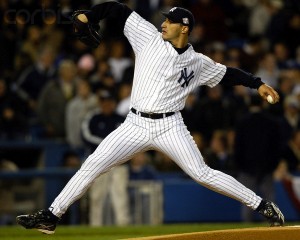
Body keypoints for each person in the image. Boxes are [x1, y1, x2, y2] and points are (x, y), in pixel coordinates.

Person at [16, 2, 284, 234]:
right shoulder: (149, 37)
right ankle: (52, 216)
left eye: (170, 20)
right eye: (164, 19)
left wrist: (257, 83)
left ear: (185, 28)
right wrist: (91, 15)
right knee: (93, 164)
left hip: (170, 126)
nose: (164, 23)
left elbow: (228, 74)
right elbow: (118, 9)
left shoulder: (197, 62)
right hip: (135, 124)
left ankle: (262, 205)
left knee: (202, 173)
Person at [81, 90, 130, 226]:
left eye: (109, 102)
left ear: (113, 103)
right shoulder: (92, 118)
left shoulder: (122, 119)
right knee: (96, 197)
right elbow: (86, 136)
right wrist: (108, 145)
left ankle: (123, 226)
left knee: (120, 196)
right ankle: (95, 227)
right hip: (99, 163)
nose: (106, 105)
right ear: (100, 103)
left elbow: (130, 139)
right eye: (104, 102)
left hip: (119, 163)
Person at [234, 94, 281, 222]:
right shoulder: (272, 121)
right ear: (262, 103)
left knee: (248, 199)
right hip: (266, 167)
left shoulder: (242, 121)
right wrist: (273, 165)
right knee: (270, 198)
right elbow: (276, 147)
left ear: (249, 103)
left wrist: (240, 165)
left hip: (247, 168)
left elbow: (238, 147)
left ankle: (247, 230)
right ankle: (273, 225)